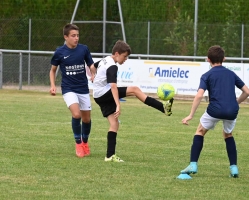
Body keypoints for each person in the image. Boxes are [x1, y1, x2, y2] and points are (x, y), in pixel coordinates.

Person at [92, 40, 174, 162]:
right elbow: (113, 87)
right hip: (104, 94)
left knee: (114, 124)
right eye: (124, 56)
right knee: (135, 90)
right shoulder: (112, 66)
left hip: (98, 95)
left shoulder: (106, 59)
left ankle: (109, 156)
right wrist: (118, 105)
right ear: (117, 53)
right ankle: (163, 108)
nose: (125, 59)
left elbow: (93, 66)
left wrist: (93, 76)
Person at [178, 45, 249, 179]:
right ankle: (234, 168)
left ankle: (193, 164)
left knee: (200, 131)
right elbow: (247, 91)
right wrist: (236, 103)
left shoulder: (207, 75)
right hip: (232, 110)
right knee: (228, 134)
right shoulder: (231, 73)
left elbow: (199, 95)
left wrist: (190, 115)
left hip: (215, 109)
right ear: (224, 59)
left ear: (208, 60)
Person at [49, 23, 97, 158]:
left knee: (86, 119)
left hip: (83, 88)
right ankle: (78, 144)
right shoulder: (59, 52)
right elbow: (52, 71)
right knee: (76, 115)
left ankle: (85, 142)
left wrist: (94, 73)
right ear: (66, 37)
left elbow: (91, 65)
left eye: (77, 35)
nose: (76, 38)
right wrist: (52, 85)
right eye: (73, 36)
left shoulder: (84, 49)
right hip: (68, 88)